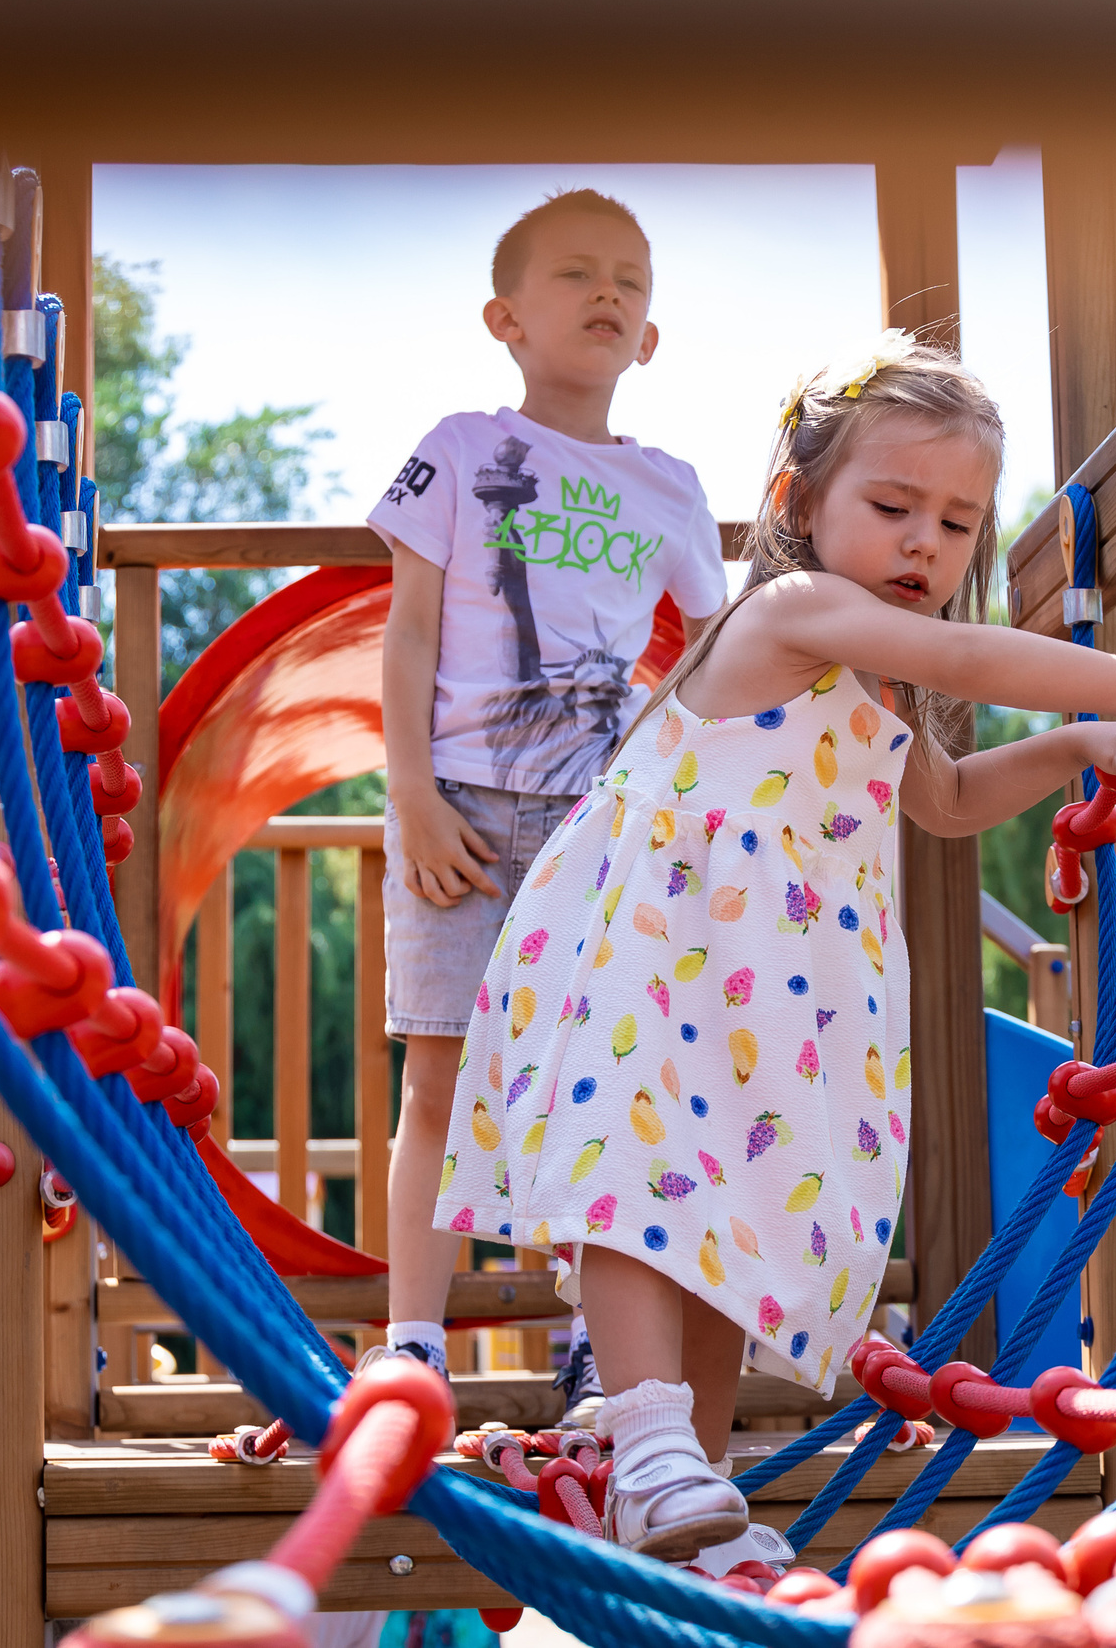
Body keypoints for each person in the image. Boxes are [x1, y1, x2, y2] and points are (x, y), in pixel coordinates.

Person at [434, 333, 1116, 1560]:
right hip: (660, 949)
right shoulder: (791, 611)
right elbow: (963, 654)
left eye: (957, 524)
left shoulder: (872, 682)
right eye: (893, 506)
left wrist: (1068, 750)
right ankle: (642, 1435)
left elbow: (940, 800)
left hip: (773, 989)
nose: (925, 546)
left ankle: (690, 1487)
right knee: (643, 1172)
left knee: (730, 1205)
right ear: (798, 503)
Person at [368, 188, 727, 1386]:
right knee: (436, 1072)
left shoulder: (669, 485)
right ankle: (411, 1341)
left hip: (601, 824)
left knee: (599, 1073)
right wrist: (410, 793)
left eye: (630, 281)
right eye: (576, 274)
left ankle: (592, 1343)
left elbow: (711, 653)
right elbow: (409, 633)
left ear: (652, 337)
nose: (609, 295)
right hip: (459, 807)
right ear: (505, 317)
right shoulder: (461, 450)